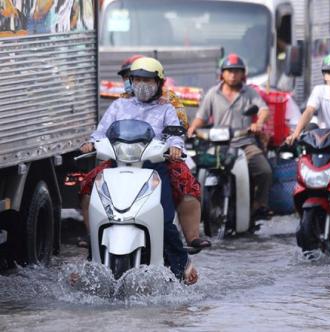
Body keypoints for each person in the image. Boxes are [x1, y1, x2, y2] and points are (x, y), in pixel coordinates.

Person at [79, 57, 198, 284]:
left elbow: (175, 134)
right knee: (100, 210)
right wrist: (91, 143)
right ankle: (90, 264)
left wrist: (174, 146)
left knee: (163, 219)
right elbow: (101, 132)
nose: (143, 84)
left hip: (152, 167)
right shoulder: (118, 105)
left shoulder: (166, 108)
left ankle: (182, 264)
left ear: (158, 82)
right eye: (138, 79)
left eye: (148, 79)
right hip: (118, 165)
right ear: (131, 81)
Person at [115, 55, 210, 252]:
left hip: (160, 156)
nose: (137, 83)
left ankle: (192, 237)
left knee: (185, 183)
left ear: (156, 80)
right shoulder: (121, 101)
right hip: (124, 156)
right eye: (131, 77)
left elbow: (179, 126)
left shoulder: (168, 100)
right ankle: (93, 236)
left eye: (145, 79)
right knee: (92, 182)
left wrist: (170, 145)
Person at [187, 53, 273, 220]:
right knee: (196, 169)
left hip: (244, 143)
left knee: (264, 171)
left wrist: (258, 123)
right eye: (229, 71)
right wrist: (192, 128)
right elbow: (201, 117)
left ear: (243, 74)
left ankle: (259, 205)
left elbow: (263, 110)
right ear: (222, 73)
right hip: (218, 145)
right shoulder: (212, 93)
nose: (233, 75)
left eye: (236, 71)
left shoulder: (249, 93)